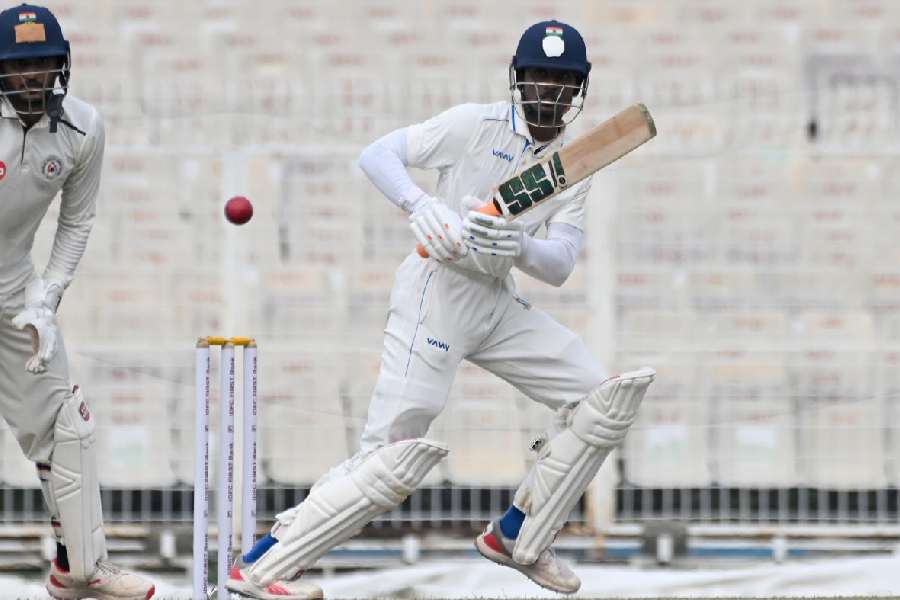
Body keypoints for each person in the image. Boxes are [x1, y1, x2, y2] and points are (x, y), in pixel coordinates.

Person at [228, 19, 654, 598]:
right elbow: (377, 155)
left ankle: (520, 535)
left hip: (496, 301)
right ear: (519, 80)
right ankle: (263, 567)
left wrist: (521, 245)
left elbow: (558, 265)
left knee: (601, 399)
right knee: (392, 458)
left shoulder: (573, 163)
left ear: (578, 89)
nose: (549, 92)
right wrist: (421, 205)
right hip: (436, 293)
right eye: (539, 78)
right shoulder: (471, 125)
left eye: (562, 81)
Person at [0, 4, 155, 599]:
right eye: (19, 66)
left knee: (67, 426)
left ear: (60, 65)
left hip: (15, 288)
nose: (32, 77)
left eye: (42, 63)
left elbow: (77, 221)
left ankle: (81, 571)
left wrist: (46, 299)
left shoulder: (83, 129)